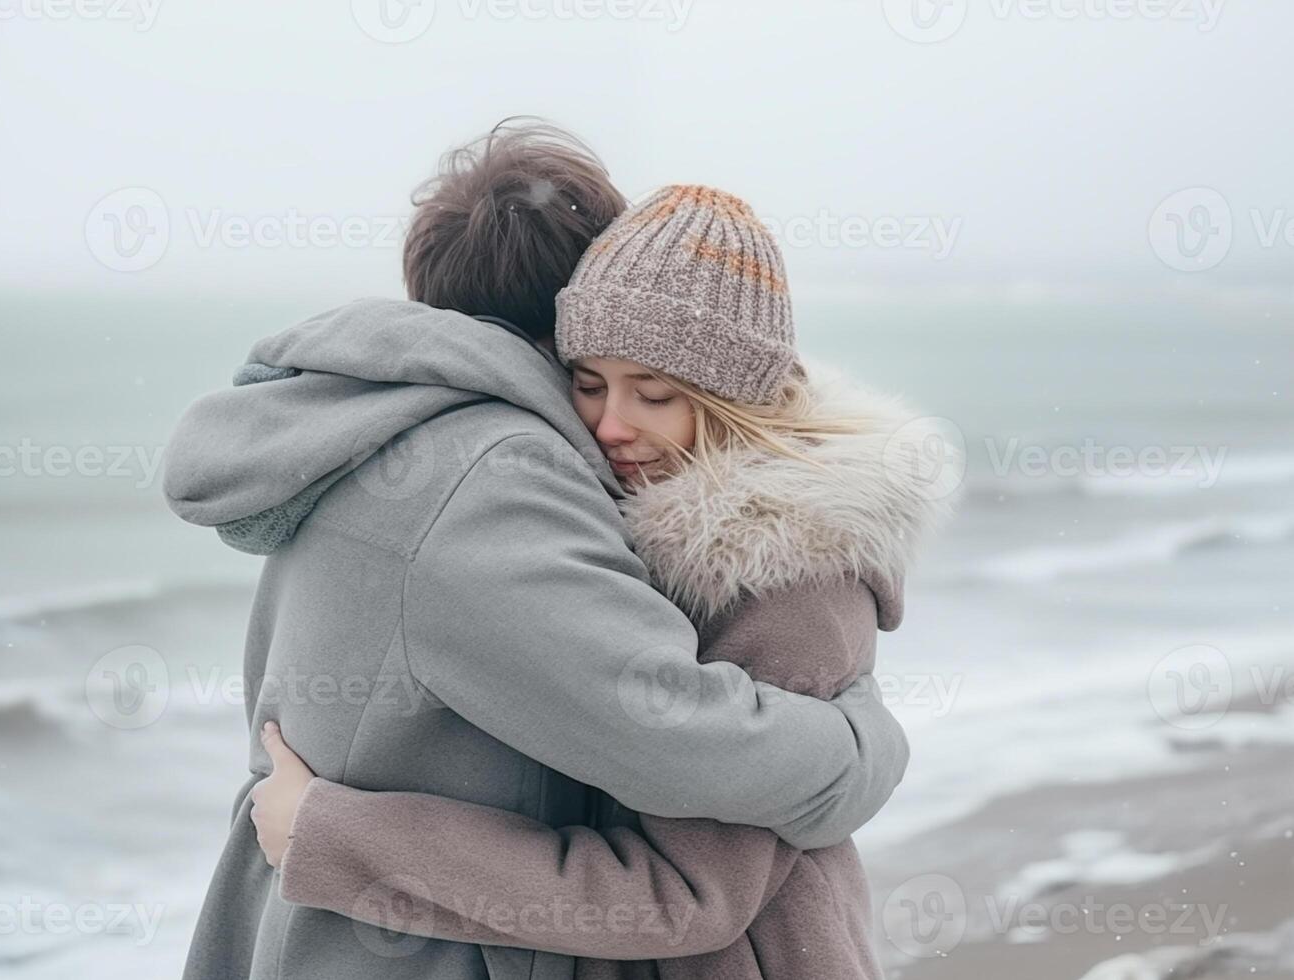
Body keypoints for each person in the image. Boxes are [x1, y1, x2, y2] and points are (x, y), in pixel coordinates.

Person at [162, 123, 912, 980]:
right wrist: (863, 747)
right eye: (590, 380)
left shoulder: (361, 429)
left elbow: (688, 850)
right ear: (570, 311)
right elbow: (689, 743)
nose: (609, 421)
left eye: (652, 390)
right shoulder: (493, 475)